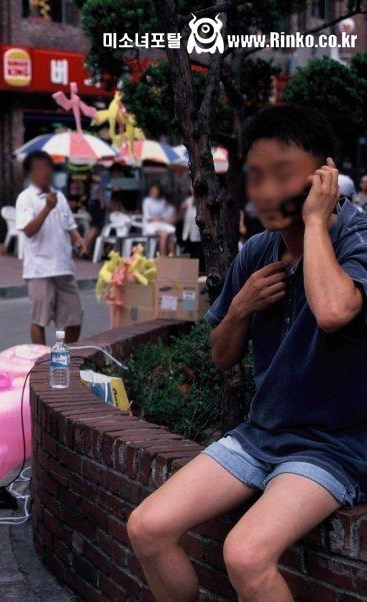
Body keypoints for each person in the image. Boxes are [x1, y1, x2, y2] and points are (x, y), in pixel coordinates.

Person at [127, 104, 367, 601]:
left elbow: (333, 311)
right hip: (262, 435)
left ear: (325, 174)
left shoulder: (356, 239)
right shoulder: (258, 251)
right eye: (257, 176)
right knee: (147, 527)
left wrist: (316, 223)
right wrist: (239, 309)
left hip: (336, 447)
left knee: (246, 555)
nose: (267, 191)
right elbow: (221, 356)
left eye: (284, 173)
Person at [16, 150, 87, 345]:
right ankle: (41, 362)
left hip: (63, 266)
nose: (45, 171)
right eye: (39, 167)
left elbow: (70, 226)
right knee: (40, 319)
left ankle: (68, 356)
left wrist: (79, 240)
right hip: (39, 269)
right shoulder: (26, 198)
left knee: (74, 317)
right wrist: (47, 208)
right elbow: (28, 230)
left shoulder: (60, 197)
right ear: (30, 173)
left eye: (47, 166)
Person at [84, 163, 121, 255]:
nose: (118, 176)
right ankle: (83, 248)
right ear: (115, 171)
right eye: (118, 173)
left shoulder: (108, 177)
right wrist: (102, 203)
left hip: (98, 203)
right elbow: (101, 189)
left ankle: (87, 249)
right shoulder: (105, 175)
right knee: (95, 227)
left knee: (96, 227)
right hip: (97, 203)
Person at [141, 183, 176, 256]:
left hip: (161, 224)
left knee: (171, 234)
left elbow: (164, 216)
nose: (154, 192)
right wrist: (157, 218)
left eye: (156, 191)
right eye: (152, 191)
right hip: (150, 225)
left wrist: (160, 219)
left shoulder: (162, 201)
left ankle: (173, 257)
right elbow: (147, 217)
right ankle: (163, 257)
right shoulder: (147, 201)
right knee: (164, 235)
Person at [180, 185, 202, 268]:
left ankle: (196, 268)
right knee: (188, 249)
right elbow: (181, 211)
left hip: (197, 231)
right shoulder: (188, 201)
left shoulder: (201, 201)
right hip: (188, 230)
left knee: (197, 250)